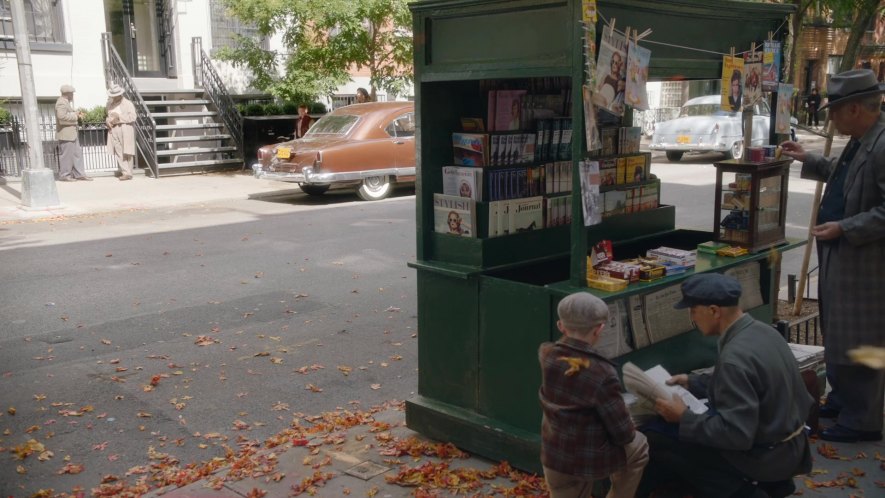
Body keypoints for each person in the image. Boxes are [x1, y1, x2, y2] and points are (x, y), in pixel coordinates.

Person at [780, 68, 885, 444]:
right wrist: (807, 158)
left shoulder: (882, 144)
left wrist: (845, 228)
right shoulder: (862, 140)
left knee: (864, 342)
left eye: (836, 111)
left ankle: (864, 419)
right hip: (840, 255)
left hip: (866, 264)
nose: (832, 119)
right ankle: (843, 401)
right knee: (839, 334)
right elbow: (845, 177)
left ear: (855, 109)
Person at [638, 273, 812, 498]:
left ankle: (745, 491)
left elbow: (736, 435)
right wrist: (694, 382)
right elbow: (753, 384)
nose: (692, 318)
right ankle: (774, 486)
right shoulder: (764, 331)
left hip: (767, 457)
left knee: (656, 438)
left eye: (693, 310)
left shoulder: (734, 358)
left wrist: (684, 418)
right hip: (790, 446)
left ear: (713, 311)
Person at [539, 292, 648, 498]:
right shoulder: (602, 372)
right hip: (585, 459)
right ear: (599, 329)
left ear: (560, 326)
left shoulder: (546, 354)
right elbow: (623, 433)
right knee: (639, 446)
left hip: (553, 454)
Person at [55, 84, 91, 181]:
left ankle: (79, 174)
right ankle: (65, 175)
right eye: (72, 93)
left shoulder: (65, 102)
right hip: (66, 134)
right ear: (68, 94)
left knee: (77, 154)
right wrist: (75, 116)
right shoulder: (61, 103)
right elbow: (61, 117)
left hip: (72, 134)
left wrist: (75, 113)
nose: (73, 95)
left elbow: (67, 114)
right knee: (67, 156)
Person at [105, 84, 137, 181]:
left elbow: (133, 117)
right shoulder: (110, 104)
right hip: (114, 129)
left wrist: (119, 117)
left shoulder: (127, 103)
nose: (114, 97)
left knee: (127, 151)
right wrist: (107, 121)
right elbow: (108, 116)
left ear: (120, 94)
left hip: (125, 128)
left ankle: (129, 172)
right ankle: (126, 172)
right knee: (118, 151)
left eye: (115, 95)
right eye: (112, 95)